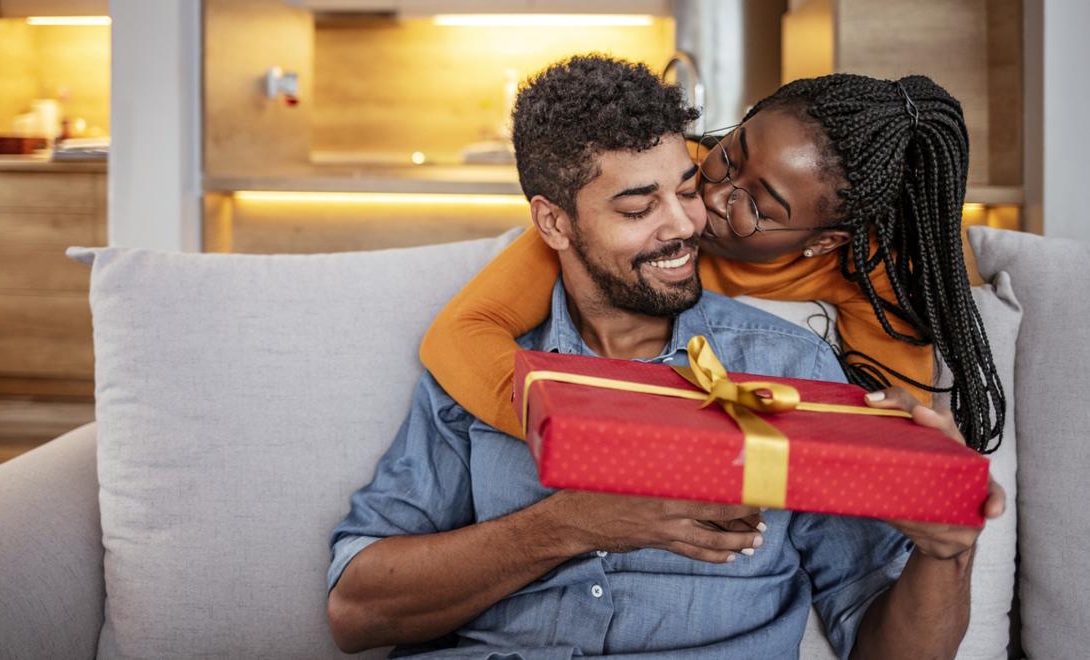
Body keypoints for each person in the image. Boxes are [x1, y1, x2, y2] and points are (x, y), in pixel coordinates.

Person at [326, 55, 1003, 659]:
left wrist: (945, 543)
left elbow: (881, 624)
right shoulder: (484, 366)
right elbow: (356, 612)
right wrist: (569, 521)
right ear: (555, 223)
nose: (691, 219)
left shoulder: (797, 366)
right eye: (637, 207)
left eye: (684, 189)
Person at [419, 71, 1005, 453]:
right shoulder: (667, 176)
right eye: (730, 155)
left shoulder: (870, 269)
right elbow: (461, 335)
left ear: (824, 242)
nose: (709, 198)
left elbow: (892, 430)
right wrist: (589, 432)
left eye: (758, 206)